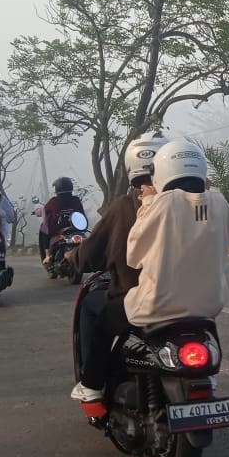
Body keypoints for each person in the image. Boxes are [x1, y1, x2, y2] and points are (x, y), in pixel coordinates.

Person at [68, 131, 168, 401]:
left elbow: (93, 252)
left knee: (93, 309)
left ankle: (92, 383)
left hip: (139, 300)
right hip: (195, 302)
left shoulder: (127, 206)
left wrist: (72, 259)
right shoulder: (195, 205)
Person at [123, 139, 229, 327]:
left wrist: (148, 203)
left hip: (155, 311)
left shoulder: (160, 203)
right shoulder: (219, 201)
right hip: (210, 308)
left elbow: (133, 257)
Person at [41, 177, 86, 266]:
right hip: (75, 227)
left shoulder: (54, 201)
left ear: (57, 189)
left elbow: (45, 210)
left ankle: (47, 256)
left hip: (58, 228)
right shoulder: (75, 200)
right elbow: (81, 212)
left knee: (44, 230)